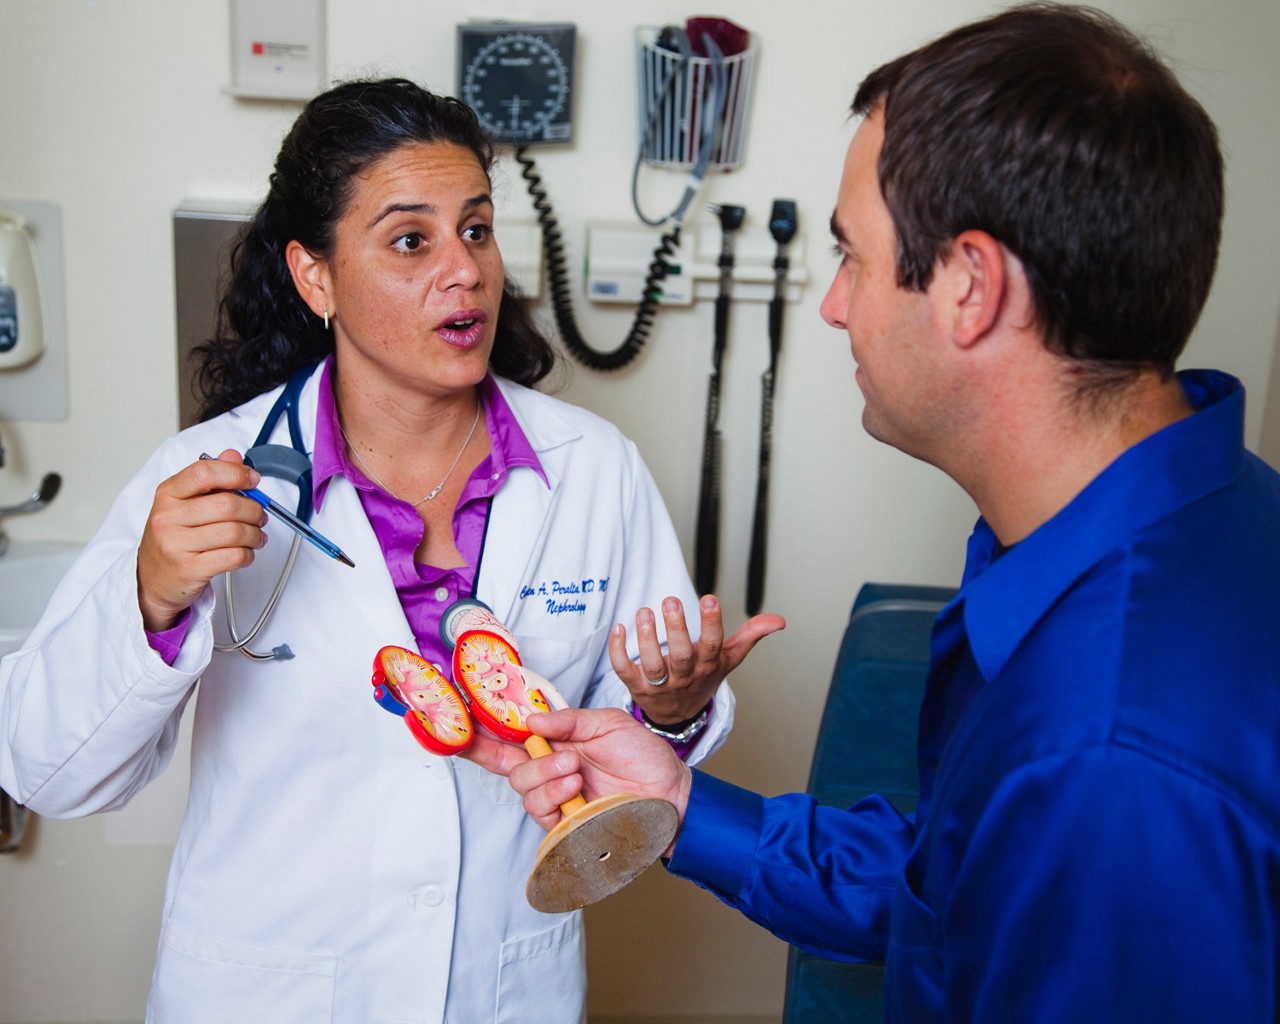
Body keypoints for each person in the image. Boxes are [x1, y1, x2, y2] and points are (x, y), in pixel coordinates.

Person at [467, 5, 1280, 1020]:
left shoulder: (1110, 758)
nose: (832, 305)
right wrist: (672, 801)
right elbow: (953, 891)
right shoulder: (1177, 521)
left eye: (850, 256)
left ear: (968, 287)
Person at [0, 79, 781, 1023]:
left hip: (503, 988)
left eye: (478, 231)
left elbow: (632, 754)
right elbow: (50, 771)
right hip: (269, 993)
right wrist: (152, 600)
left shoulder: (592, 470)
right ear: (315, 276)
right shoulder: (212, 479)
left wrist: (674, 709)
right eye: (412, 240)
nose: (465, 271)